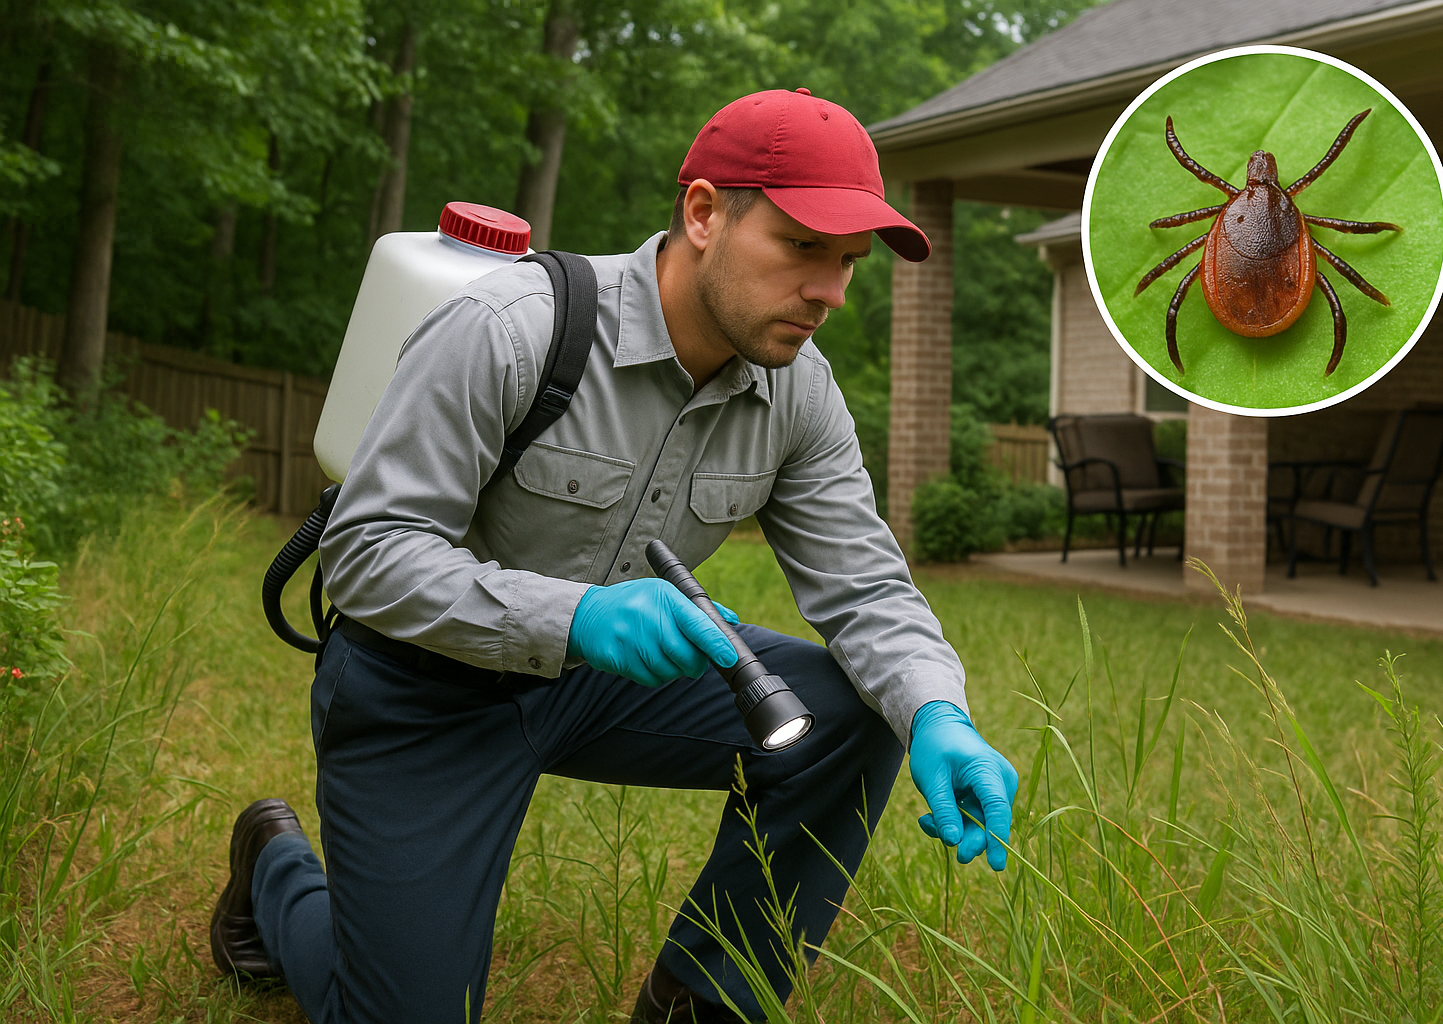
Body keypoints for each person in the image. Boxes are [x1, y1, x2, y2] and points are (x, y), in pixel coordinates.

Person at [210, 87, 1018, 1024]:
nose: (831, 293)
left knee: (860, 709)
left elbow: (866, 584)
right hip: (417, 687)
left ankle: (699, 1006)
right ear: (705, 213)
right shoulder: (510, 329)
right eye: (803, 247)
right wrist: (580, 618)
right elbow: (365, 553)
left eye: (848, 263)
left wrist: (936, 711)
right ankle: (274, 868)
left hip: (596, 683)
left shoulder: (799, 393)